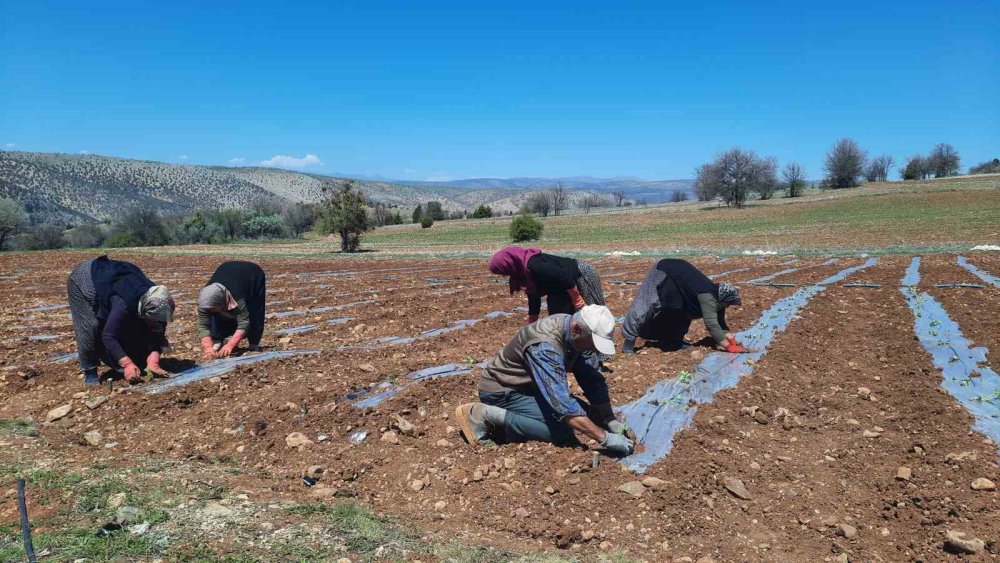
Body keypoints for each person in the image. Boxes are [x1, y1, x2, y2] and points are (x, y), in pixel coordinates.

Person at [455, 305, 634, 456]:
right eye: (592, 343)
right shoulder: (545, 347)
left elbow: (592, 379)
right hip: (502, 389)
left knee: (590, 417)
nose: (593, 350)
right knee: (562, 431)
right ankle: (482, 414)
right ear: (576, 329)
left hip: (531, 386)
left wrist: (608, 419)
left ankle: (520, 418)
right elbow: (562, 405)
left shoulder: (574, 329)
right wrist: (605, 438)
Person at [67, 256, 175, 386]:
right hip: (85, 280)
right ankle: (90, 372)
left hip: (113, 280)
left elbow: (157, 333)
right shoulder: (124, 305)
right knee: (90, 326)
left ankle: (133, 360)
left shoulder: (160, 304)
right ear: (143, 309)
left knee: (134, 327)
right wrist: (127, 364)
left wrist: (154, 357)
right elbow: (108, 336)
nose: (157, 323)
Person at [621, 258, 744, 354]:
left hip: (679, 279)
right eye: (728, 304)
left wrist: (733, 340)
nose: (727, 307)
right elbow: (711, 324)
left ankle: (673, 341)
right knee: (649, 303)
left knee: (681, 311)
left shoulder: (718, 299)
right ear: (723, 299)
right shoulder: (707, 296)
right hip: (664, 269)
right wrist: (728, 347)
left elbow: (720, 323)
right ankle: (629, 342)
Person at [488, 246, 605, 324]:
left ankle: (599, 354)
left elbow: (563, 276)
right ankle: (571, 356)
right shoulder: (523, 274)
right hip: (557, 288)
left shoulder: (534, 264)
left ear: (508, 264)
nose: (504, 275)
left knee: (591, 316)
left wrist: (578, 300)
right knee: (559, 322)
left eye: (503, 272)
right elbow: (533, 297)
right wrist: (532, 322)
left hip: (579, 274)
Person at [197, 261, 266, 359]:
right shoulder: (206, 298)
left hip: (252, 274)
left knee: (254, 311)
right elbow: (203, 326)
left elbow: (244, 323)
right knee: (215, 314)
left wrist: (230, 345)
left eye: (214, 307)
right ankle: (217, 339)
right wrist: (207, 346)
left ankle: (253, 343)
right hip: (225, 271)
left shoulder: (237, 296)